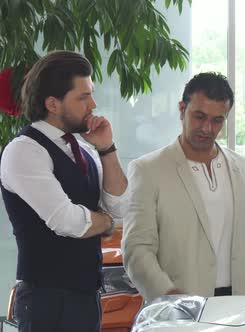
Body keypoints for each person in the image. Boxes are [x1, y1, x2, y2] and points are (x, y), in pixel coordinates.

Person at [123, 72, 245, 301]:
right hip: (180, 311)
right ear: (182, 109)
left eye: (217, 120)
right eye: (199, 116)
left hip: (241, 309)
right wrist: (169, 297)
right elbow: (137, 249)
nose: (207, 128)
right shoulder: (148, 170)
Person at [0, 51, 128, 331]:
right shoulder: (24, 150)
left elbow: (119, 209)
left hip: (87, 296)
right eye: (83, 97)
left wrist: (106, 148)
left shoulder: (84, 150)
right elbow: (68, 222)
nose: (93, 104)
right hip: (46, 300)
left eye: (91, 94)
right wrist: (104, 222)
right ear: (52, 104)